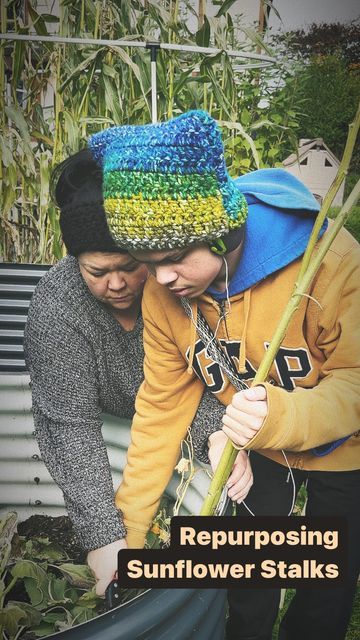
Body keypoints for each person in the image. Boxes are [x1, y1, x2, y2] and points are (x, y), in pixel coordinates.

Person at [88, 110, 360, 640]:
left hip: (343, 447)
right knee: (248, 569)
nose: (161, 277)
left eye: (173, 258)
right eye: (147, 260)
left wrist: (279, 415)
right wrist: (128, 534)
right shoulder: (165, 295)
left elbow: (356, 377)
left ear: (220, 234)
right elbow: (161, 407)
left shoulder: (331, 262)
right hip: (253, 448)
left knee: (328, 574)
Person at [24, 148, 249, 597]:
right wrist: (105, 538)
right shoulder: (56, 310)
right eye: (97, 271)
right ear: (76, 262)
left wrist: (225, 432)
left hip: (178, 426)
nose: (117, 284)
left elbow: (213, 371)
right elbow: (70, 428)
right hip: (111, 438)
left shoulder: (180, 286)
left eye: (130, 266)